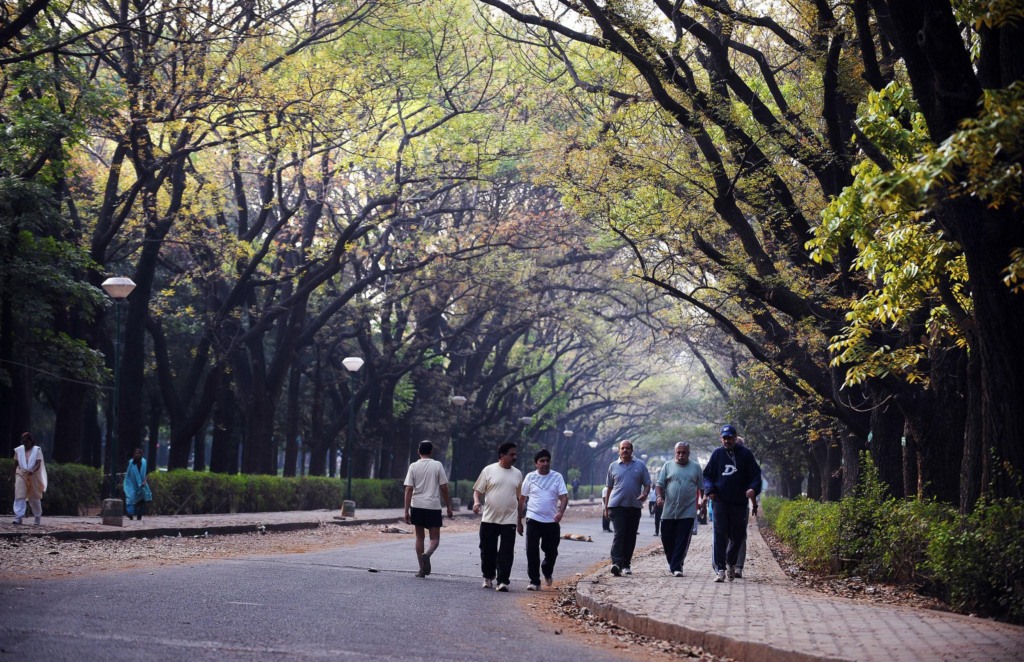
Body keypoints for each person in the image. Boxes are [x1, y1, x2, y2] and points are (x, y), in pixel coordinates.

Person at [703, 425, 762, 582]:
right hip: (720, 501)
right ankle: (720, 570)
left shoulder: (746, 454)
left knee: (739, 536)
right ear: (721, 438)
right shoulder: (717, 454)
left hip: (739, 503)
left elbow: (756, 475)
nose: (727, 440)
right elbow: (707, 475)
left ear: (736, 437)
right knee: (720, 534)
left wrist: (753, 489)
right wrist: (710, 491)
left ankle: (730, 561)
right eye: (724, 438)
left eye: (730, 437)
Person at [473, 442, 523, 592]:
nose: (515, 457)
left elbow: (520, 498)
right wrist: (476, 502)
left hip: (509, 519)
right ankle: (488, 576)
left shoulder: (518, 474)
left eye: (515, 454)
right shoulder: (489, 470)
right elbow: (478, 490)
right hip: (489, 518)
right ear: (502, 456)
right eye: (511, 454)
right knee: (487, 549)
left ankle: (503, 581)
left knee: (506, 551)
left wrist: (519, 520)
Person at [519, 449, 568, 591]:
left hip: (552, 521)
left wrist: (560, 512)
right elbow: (522, 500)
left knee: (551, 551)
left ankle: (547, 570)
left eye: (547, 460)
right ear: (536, 463)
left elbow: (564, 497)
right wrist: (519, 521)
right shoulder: (530, 477)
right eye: (542, 461)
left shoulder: (557, 477)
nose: (545, 463)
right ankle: (534, 581)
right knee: (532, 551)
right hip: (533, 519)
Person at [404, 441, 454, 578]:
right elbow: (444, 488)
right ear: (431, 452)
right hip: (432, 506)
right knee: (435, 538)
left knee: (419, 536)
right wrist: (448, 507)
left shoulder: (413, 466)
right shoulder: (437, 465)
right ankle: (428, 553)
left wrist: (406, 511)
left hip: (417, 505)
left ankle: (421, 568)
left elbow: (408, 489)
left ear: (418, 451)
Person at [603, 440, 651, 576]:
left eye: (627, 448)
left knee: (630, 536)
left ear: (632, 450)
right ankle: (616, 563)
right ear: (619, 451)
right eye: (622, 448)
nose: (625, 450)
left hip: (634, 507)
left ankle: (626, 564)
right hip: (616, 506)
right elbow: (609, 488)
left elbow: (647, 484)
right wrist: (606, 508)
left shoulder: (640, 465)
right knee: (619, 534)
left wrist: (644, 494)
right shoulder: (613, 466)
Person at [710, 436, 755, 578]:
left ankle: (737, 566)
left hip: (739, 506)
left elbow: (753, 483)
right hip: (722, 504)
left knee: (739, 537)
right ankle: (720, 566)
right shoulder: (719, 459)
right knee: (719, 535)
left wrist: (754, 503)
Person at [656, 442, 703, 576]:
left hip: (687, 511)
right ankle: (674, 563)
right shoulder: (668, 466)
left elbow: (702, 488)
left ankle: (676, 567)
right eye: (678, 452)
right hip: (669, 510)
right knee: (667, 539)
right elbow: (659, 484)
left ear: (689, 453)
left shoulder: (696, 467)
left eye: (684, 452)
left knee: (682, 540)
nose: (681, 455)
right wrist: (659, 497)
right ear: (675, 453)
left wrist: (703, 503)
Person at [12, 432, 47, 525]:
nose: (25, 444)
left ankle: (37, 516)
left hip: (33, 476)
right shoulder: (19, 450)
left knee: (34, 498)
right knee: (19, 494)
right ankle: (18, 517)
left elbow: (38, 464)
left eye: (26, 442)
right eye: (23, 442)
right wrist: (11, 475)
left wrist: (32, 470)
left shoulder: (37, 450)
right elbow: (15, 463)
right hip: (21, 473)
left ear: (31, 441)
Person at [123, 448, 153, 521]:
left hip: (142, 484)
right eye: (135, 453)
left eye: (138, 453)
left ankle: (139, 514)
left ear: (141, 454)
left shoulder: (144, 462)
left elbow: (147, 473)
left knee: (143, 498)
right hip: (131, 483)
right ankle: (130, 513)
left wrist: (144, 482)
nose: (137, 455)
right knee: (130, 497)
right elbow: (127, 473)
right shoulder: (130, 462)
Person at [648, 468, 663, 536]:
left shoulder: (666, 488)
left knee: (663, 520)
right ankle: (656, 531)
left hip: (665, 506)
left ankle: (662, 532)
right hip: (657, 505)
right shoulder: (657, 488)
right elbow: (656, 497)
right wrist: (654, 506)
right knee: (657, 520)